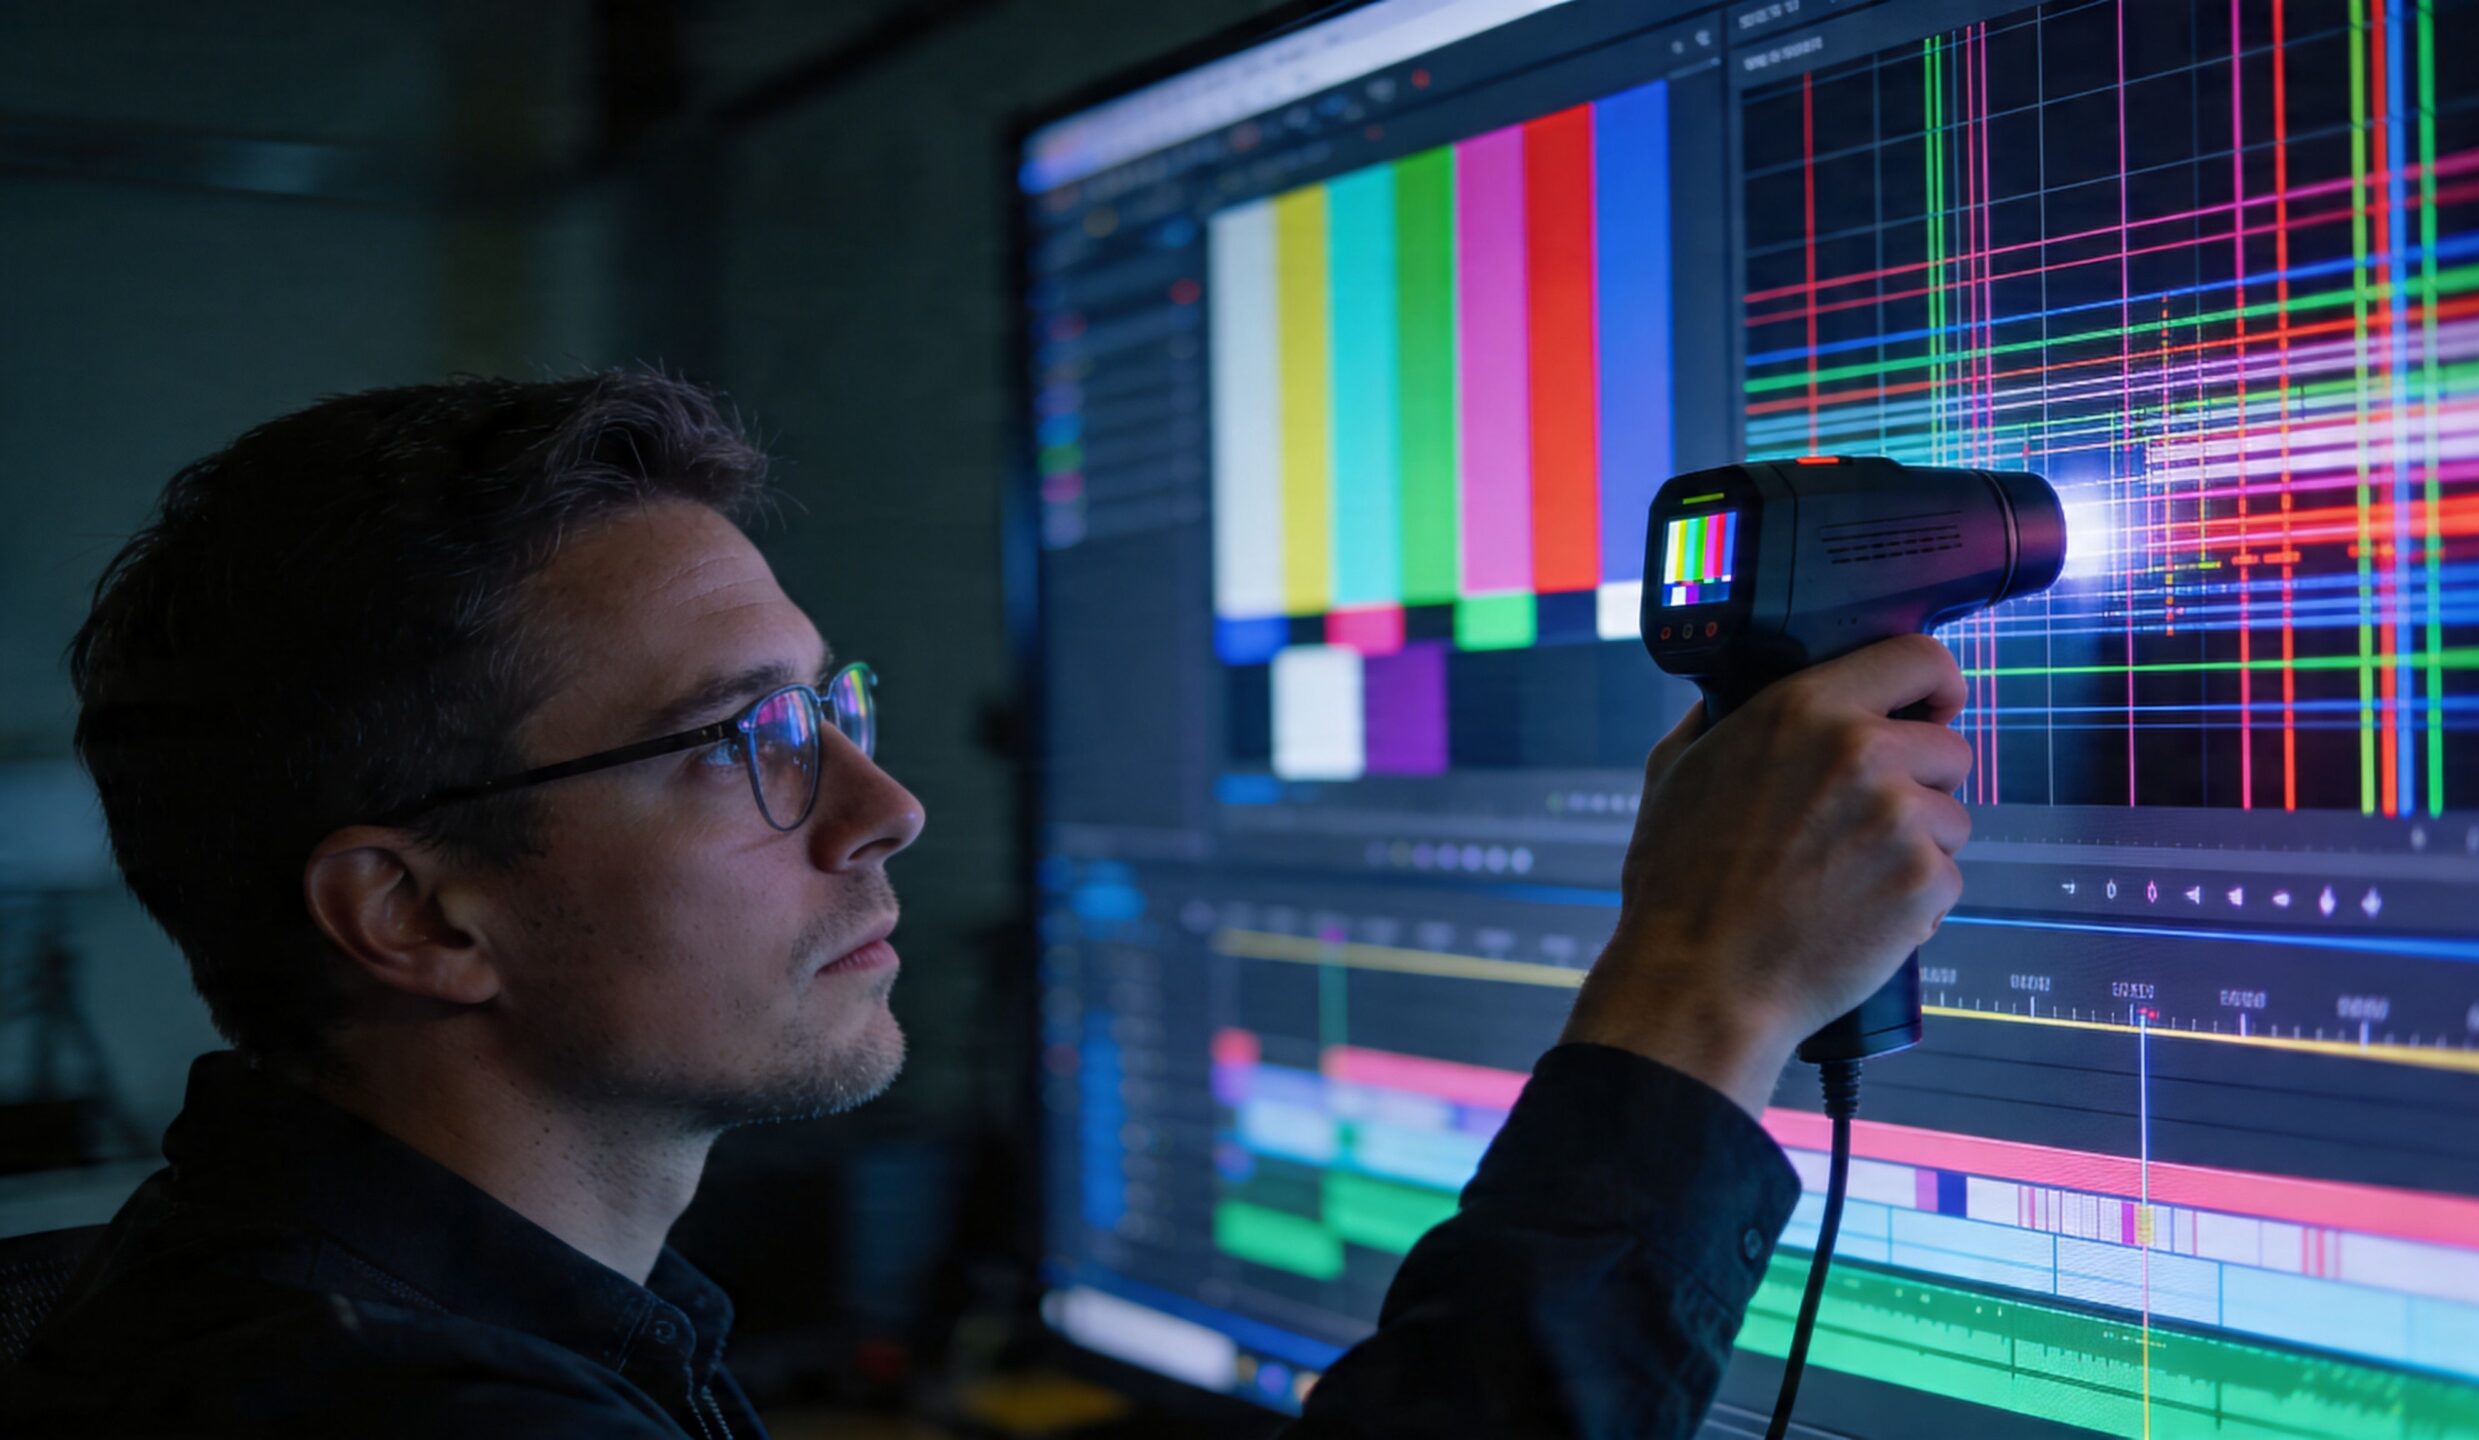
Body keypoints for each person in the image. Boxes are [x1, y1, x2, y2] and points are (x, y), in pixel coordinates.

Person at [0, 373, 1970, 1438]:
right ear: (416, 916)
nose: (886, 809)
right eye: (743, 742)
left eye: (826, 709)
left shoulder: (262, 1291)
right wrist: (1701, 996)